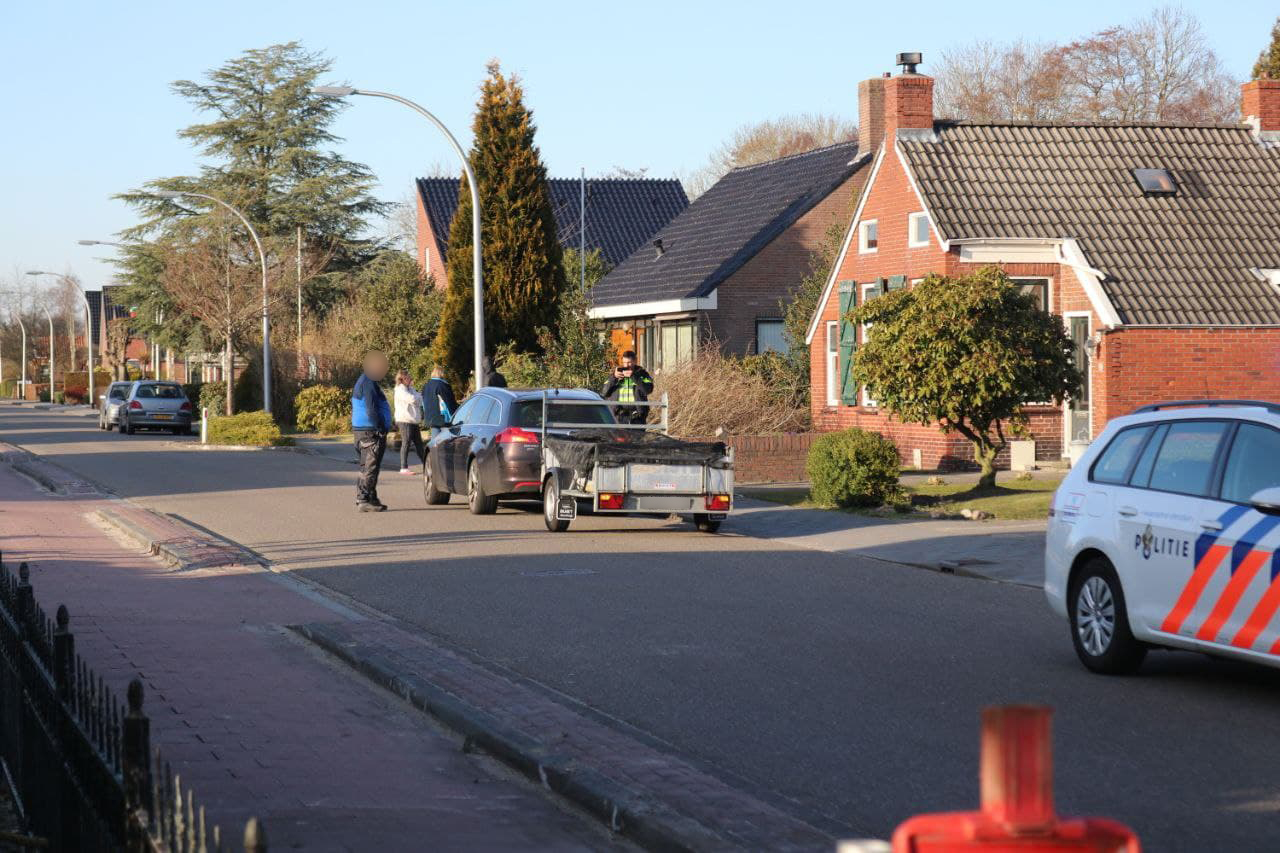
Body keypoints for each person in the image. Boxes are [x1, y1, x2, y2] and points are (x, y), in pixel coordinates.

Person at [351, 351, 393, 512]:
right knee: (369, 467)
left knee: (370, 466)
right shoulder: (368, 382)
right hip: (369, 432)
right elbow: (371, 409)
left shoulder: (367, 381)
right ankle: (363, 499)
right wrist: (380, 427)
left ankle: (371, 498)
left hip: (365, 430)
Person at [601, 350, 654, 424]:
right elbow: (604, 392)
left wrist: (633, 377)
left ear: (635, 361)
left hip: (638, 416)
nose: (626, 365)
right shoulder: (616, 374)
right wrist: (614, 377)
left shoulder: (642, 374)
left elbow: (648, 390)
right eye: (624, 362)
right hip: (619, 416)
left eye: (629, 362)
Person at [393, 370, 425, 475]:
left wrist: (418, 397)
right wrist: (418, 397)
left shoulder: (410, 388)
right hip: (404, 420)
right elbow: (412, 399)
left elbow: (419, 399)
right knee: (406, 442)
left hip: (413, 420)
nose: (411, 379)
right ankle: (403, 467)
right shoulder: (399, 390)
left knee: (419, 443)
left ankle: (426, 464)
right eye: (408, 377)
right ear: (402, 379)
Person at [421, 365, 458, 437]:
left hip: (430, 417)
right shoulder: (442, 385)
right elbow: (449, 402)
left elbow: (423, 401)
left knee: (435, 439)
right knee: (447, 438)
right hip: (443, 416)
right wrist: (455, 415)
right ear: (441, 373)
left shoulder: (426, 386)